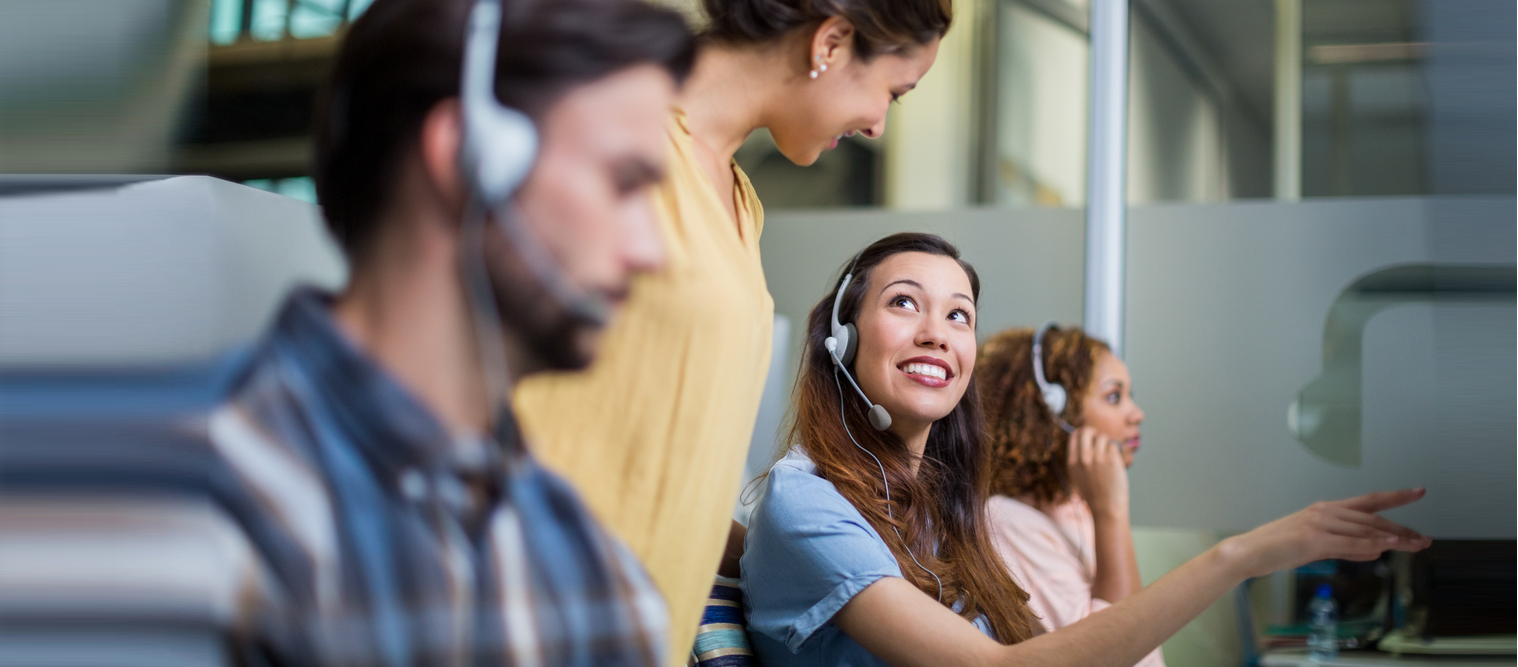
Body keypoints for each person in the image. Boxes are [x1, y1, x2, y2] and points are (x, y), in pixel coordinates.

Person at [205, 0, 695, 663]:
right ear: (469, 156)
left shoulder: (591, 569)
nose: (652, 251)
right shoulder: (195, 521)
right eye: (623, 183)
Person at [739, 232, 1430, 667]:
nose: (937, 332)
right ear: (842, 339)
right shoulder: (807, 497)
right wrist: (1242, 555)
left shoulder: (940, 510)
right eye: (903, 303)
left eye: (958, 315)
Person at [511, 0, 948, 658]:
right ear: (830, 41)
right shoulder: (620, 139)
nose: (879, 125)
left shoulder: (741, 200)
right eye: (893, 91)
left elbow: (658, 453)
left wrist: (785, 548)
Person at [976, 325, 1163, 666]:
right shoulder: (1006, 520)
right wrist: (1112, 513)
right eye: (1113, 397)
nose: (1137, 414)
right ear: (1051, 413)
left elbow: (1143, 637)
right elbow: (1112, 653)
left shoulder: (1078, 507)